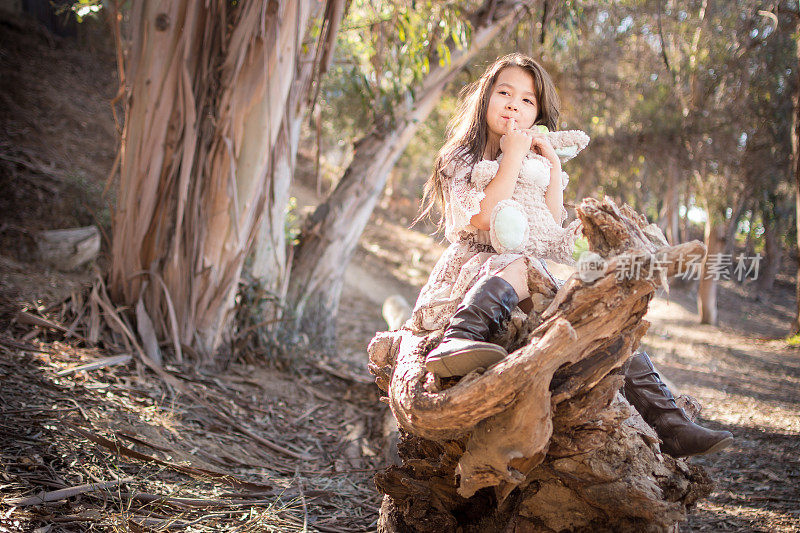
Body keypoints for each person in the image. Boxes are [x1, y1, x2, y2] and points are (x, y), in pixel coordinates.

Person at [409, 52, 732, 457]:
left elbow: (550, 224)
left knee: (595, 314)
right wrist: (510, 155)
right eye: (504, 92)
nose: (514, 104)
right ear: (484, 97)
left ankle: (669, 422)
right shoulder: (460, 158)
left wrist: (550, 164)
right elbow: (488, 217)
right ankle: (461, 337)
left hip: (528, 271)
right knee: (521, 265)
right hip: (480, 269)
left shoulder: (533, 160)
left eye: (528, 100)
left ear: (537, 114)